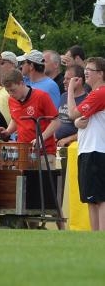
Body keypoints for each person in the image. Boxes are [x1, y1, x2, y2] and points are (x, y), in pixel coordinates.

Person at [67, 57, 105, 231]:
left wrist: (69, 90)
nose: (86, 71)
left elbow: (73, 114)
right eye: (86, 68)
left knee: (100, 198)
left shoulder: (100, 93)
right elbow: (80, 120)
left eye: (90, 69)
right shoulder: (94, 94)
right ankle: (94, 235)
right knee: (91, 198)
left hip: (96, 150)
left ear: (101, 74)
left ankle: (100, 234)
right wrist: (76, 123)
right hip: (90, 149)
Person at [0, 69, 59, 169]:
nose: (10, 93)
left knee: (43, 184)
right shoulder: (11, 100)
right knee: (23, 184)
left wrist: (41, 138)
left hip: (44, 153)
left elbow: (56, 121)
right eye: (7, 91)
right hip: (23, 152)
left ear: (21, 83)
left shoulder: (41, 96)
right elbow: (16, 119)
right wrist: (7, 131)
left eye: (13, 90)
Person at [55, 65, 87, 147]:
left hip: (73, 145)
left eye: (68, 79)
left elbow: (88, 129)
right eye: (64, 78)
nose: (64, 81)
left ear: (78, 80)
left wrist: (69, 139)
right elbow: (58, 119)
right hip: (57, 143)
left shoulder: (86, 100)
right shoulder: (64, 96)